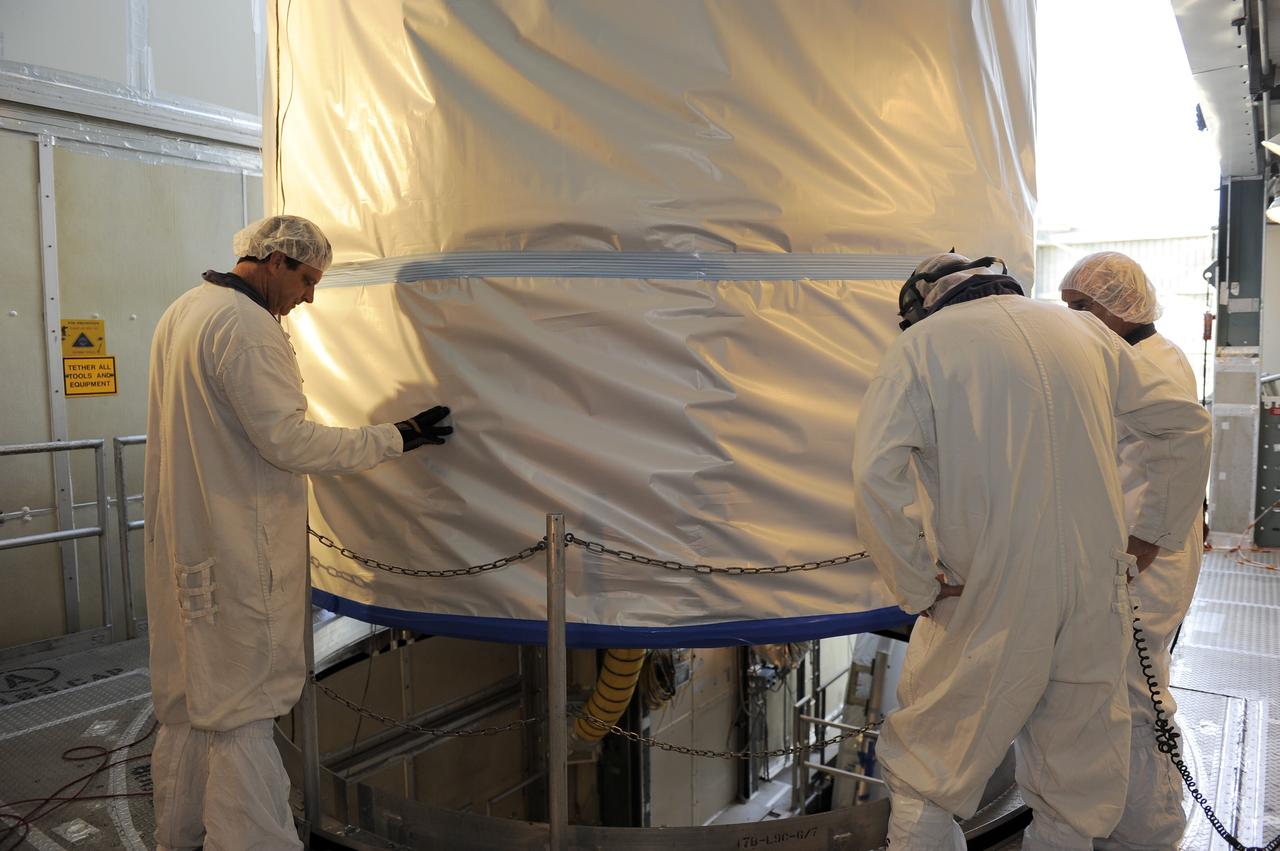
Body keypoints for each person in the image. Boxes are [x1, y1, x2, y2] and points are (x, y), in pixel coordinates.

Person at [852, 253, 1211, 850]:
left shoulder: (921, 349)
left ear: (924, 305)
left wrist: (916, 583)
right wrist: (1154, 532)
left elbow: (874, 477)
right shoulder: (1085, 332)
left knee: (930, 776)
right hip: (1096, 596)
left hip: (989, 594)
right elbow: (1185, 426)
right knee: (1074, 792)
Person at [143, 215, 453, 850]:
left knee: (191, 703)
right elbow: (288, 441)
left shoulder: (184, 312)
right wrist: (397, 436)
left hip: (188, 546)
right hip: (237, 555)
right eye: (308, 279)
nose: (310, 296)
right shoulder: (249, 329)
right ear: (275, 260)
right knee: (242, 710)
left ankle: (179, 834)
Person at [1061, 251, 1202, 851]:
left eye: (1081, 308)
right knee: (1123, 698)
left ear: (1118, 309)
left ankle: (1149, 834)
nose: (1073, 319)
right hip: (1141, 558)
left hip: (1145, 565)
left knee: (1138, 704)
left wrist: (1142, 541)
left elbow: (1184, 440)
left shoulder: (1148, 366)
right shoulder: (1140, 355)